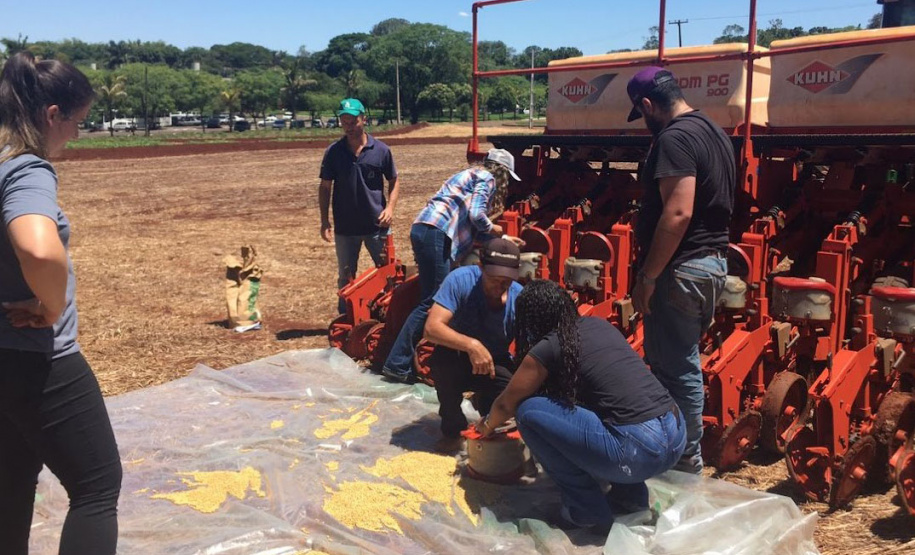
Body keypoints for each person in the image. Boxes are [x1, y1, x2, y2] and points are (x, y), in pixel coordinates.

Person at [0, 52, 122, 554]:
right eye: (76, 122)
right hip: (37, 356)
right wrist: (50, 306)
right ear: (52, 115)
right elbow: (36, 245)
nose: (74, 135)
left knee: (10, 480)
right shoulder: (28, 168)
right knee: (97, 486)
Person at [480, 280, 685, 530]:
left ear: (531, 319)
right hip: (675, 434)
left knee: (527, 412)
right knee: (608, 407)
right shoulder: (598, 325)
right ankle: (630, 499)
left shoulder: (549, 346)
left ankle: (585, 510)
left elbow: (506, 405)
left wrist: (487, 427)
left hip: (638, 452)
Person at [626, 66, 734, 474]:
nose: (646, 125)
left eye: (642, 115)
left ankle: (684, 464)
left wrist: (648, 276)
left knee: (677, 367)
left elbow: (678, 211)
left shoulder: (674, 138)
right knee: (682, 360)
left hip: (681, 268)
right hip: (710, 262)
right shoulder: (714, 132)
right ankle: (679, 453)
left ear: (649, 105)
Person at [381, 148, 523, 383]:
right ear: (502, 172)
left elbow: (472, 226)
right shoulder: (486, 178)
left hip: (428, 229)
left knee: (429, 297)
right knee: (432, 301)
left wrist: (503, 241)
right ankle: (397, 364)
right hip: (436, 232)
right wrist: (496, 229)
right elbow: (477, 216)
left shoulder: (470, 175)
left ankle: (398, 361)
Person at [422, 238, 523, 452]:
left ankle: (490, 422)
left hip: (496, 362)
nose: (501, 285)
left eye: (507, 280)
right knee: (442, 365)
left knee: (514, 395)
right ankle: (452, 429)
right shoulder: (459, 280)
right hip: (457, 356)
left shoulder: (519, 297)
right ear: (480, 267)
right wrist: (471, 345)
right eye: (494, 278)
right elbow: (431, 328)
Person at [318, 97, 401, 314]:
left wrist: (390, 208)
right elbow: (325, 187)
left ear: (364, 119)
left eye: (353, 121)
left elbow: (394, 181)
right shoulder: (334, 152)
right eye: (344, 122)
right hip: (346, 228)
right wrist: (325, 220)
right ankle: (346, 319)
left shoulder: (381, 150)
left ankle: (390, 315)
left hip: (376, 225)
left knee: (387, 273)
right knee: (346, 275)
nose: (349, 127)